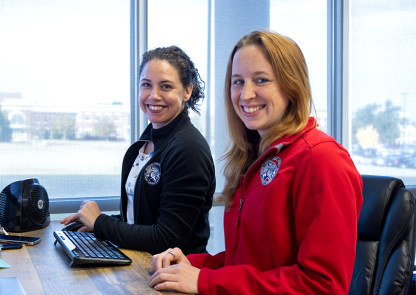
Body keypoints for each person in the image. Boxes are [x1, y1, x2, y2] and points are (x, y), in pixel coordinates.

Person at [149, 30, 363, 294]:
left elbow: (321, 286)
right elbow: (247, 263)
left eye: (260, 80)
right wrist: (194, 265)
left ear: (291, 85)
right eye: (238, 82)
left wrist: (206, 281)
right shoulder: (253, 159)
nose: (246, 94)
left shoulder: (321, 158)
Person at [60, 46, 215, 255]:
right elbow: (143, 220)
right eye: (146, 85)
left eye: (166, 86)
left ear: (187, 91)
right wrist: (97, 223)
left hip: (172, 278)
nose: (154, 95)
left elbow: (166, 239)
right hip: (142, 268)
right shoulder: (149, 140)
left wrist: (101, 223)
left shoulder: (189, 150)